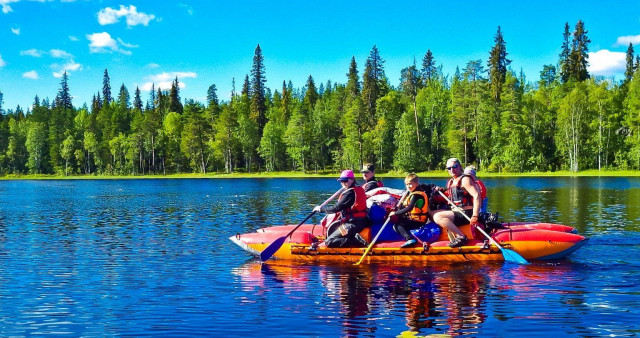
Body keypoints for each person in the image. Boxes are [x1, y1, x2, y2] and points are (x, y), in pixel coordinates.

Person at [430, 158, 482, 247]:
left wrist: (475, 216)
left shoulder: (465, 179)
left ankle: (461, 236)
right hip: (457, 212)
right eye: (449, 168)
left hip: (466, 213)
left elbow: (477, 195)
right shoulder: (451, 181)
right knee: (431, 213)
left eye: (454, 167)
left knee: (438, 216)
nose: (452, 170)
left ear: (460, 167)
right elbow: (452, 195)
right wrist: (440, 191)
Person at [313, 170, 369, 248]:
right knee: (332, 236)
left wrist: (320, 209)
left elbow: (336, 208)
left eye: (345, 181)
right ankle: (351, 237)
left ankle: (355, 241)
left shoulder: (350, 193)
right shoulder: (358, 189)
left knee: (329, 241)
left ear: (352, 180)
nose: (343, 183)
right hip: (359, 222)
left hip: (353, 224)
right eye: (341, 181)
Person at [389, 174, 430, 248]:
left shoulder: (417, 195)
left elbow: (409, 208)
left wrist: (395, 213)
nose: (408, 186)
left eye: (410, 184)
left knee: (397, 226)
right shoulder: (411, 193)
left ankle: (410, 239)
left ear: (416, 184)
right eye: (407, 184)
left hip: (418, 221)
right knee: (398, 221)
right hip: (413, 218)